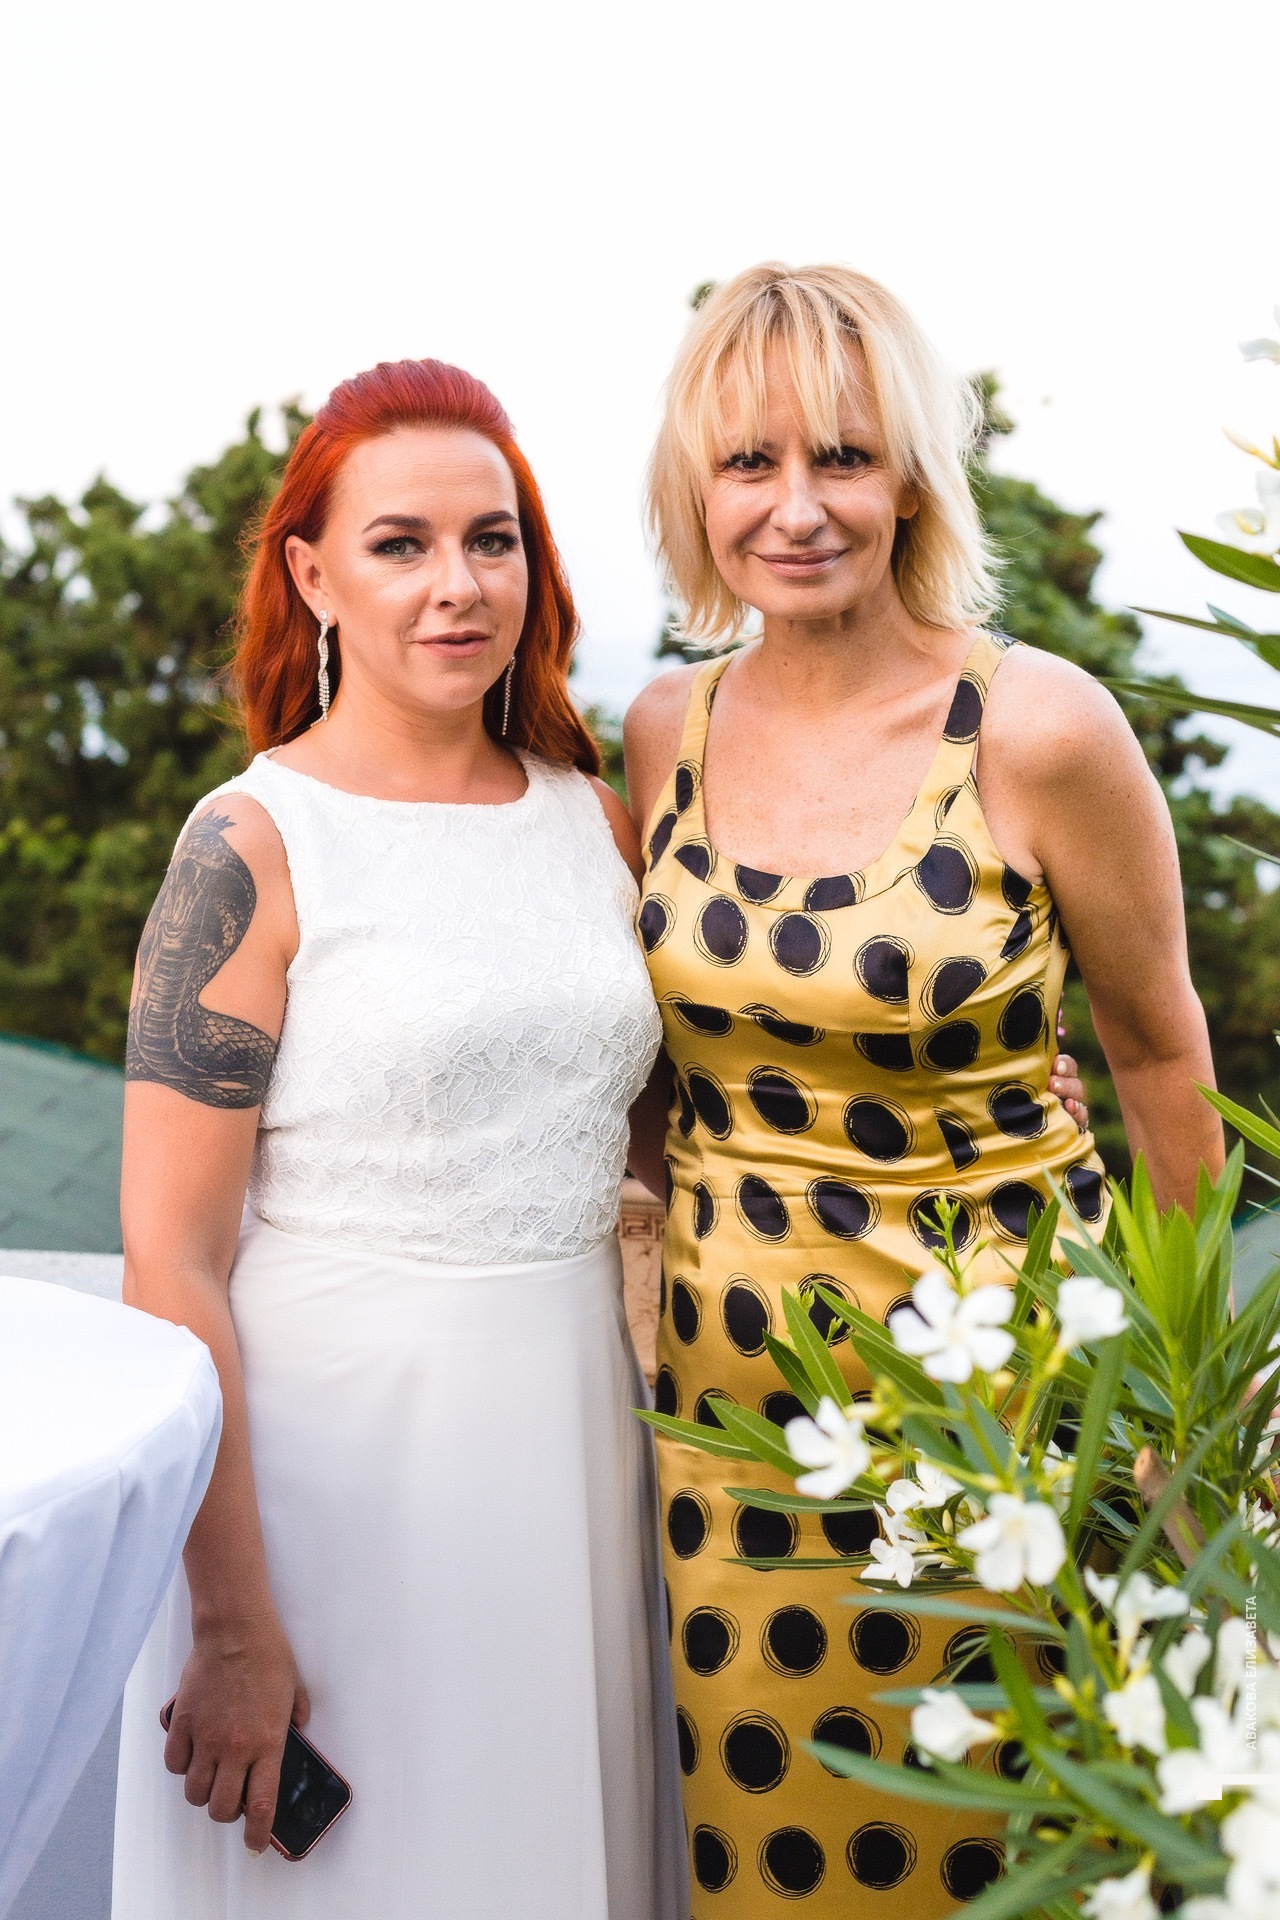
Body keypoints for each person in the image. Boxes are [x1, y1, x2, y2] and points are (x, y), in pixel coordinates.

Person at [623, 263, 1223, 1917]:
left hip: (1007, 1423)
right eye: (750, 463)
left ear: (911, 479)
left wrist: (1185, 1416)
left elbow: (1160, 1057)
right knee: (771, 1866)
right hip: (739, 1440)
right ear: (695, 489)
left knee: (1009, 1862)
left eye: (844, 456)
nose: (798, 508)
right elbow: (653, 1069)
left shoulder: (1039, 729)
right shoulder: (666, 730)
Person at [112, 358, 685, 1920]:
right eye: (401, 544)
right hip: (327, 1478)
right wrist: (234, 1624)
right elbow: (169, 1257)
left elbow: (666, 1134)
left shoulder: (593, 816)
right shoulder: (252, 843)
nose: (458, 585)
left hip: (574, 1443)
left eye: (492, 541)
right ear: (313, 577)